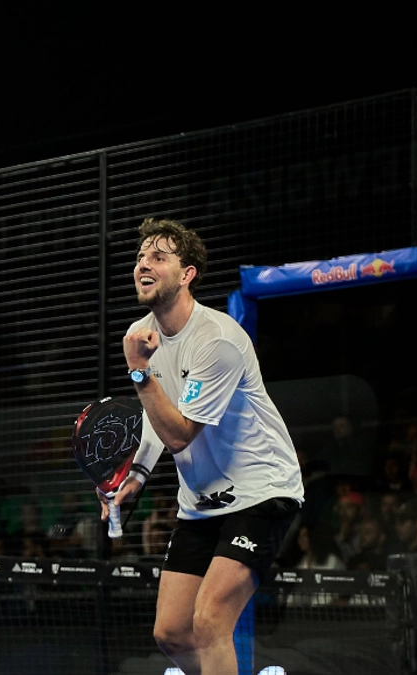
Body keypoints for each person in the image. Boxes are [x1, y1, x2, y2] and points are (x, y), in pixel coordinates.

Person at [102, 217, 303, 675]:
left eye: (158, 256)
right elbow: (160, 416)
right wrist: (136, 475)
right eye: (139, 257)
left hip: (261, 490)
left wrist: (139, 372)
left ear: (188, 272)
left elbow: (179, 433)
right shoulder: (143, 335)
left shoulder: (218, 340)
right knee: (171, 632)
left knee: (210, 620)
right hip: (201, 501)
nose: (143, 264)